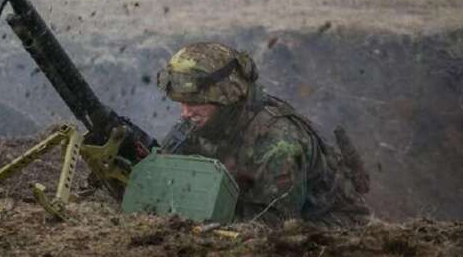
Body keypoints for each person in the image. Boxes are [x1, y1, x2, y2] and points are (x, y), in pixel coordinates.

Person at [156, 42, 371, 226]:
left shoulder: (278, 144)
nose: (185, 113)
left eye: (195, 103)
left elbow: (274, 225)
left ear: (226, 98)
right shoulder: (204, 121)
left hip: (327, 225)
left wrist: (198, 214)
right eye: (181, 103)